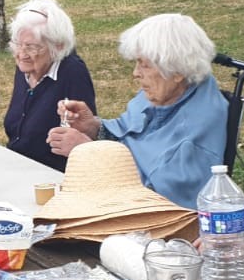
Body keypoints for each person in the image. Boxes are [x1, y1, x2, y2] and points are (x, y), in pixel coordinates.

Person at [48, 13, 225, 211]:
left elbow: (155, 204)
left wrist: (89, 152)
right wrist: (94, 127)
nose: (135, 73)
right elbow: (129, 134)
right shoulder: (170, 91)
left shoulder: (192, 137)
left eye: (145, 64)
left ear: (177, 71)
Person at [3, 0, 94, 171]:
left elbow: (84, 138)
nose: (21, 53)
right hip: (16, 165)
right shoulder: (26, 68)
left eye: (31, 46)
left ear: (57, 46)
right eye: (17, 44)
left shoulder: (72, 72)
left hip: (51, 175)